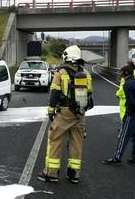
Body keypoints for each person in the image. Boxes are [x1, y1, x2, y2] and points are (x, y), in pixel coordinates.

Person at [37, 45, 93, 184]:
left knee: (55, 140)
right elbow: (89, 93)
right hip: (80, 114)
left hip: (64, 112)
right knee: (76, 144)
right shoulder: (86, 74)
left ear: (67, 56)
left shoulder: (60, 73)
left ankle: (51, 174)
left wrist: (51, 111)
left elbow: (54, 93)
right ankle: (74, 174)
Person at [102, 65, 135, 165]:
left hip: (131, 114)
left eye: (122, 72)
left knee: (124, 136)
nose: (121, 74)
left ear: (126, 73)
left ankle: (117, 158)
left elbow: (130, 101)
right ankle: (134, 157)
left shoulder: (127, 85)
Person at [115, 61, 135, 138]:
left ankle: (123, 131)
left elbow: (123, 87)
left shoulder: (127, 76)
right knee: (132, 114)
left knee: (123, 115)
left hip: (124, 98)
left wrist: (118, 94)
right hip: (134, 97)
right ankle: (131, 130)